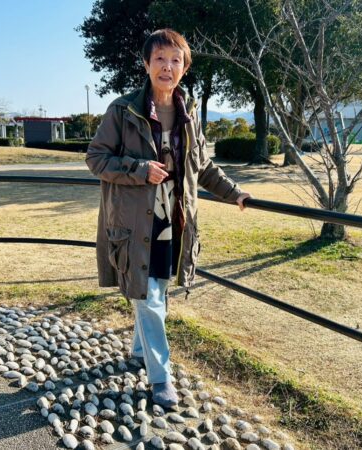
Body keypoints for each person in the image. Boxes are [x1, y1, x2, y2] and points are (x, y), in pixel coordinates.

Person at [86, 28, 250, 407]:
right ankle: (161, 378)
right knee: (149, 298)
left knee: (155, 291)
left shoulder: (189, 113)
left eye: (176, 60)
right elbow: (96, 158)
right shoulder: (122, 110)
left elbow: (203, 166)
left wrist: (235, 193)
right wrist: (139, 169)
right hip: (134, 223)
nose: (167, 66)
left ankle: (139, 351)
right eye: (160, 58)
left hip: (175, 222)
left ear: (184, 68)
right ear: (146, 64)